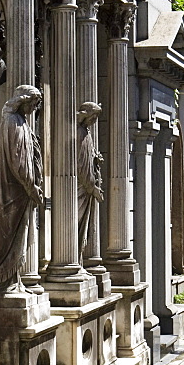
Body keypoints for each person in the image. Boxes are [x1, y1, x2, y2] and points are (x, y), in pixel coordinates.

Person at [0, 84, 43, 294]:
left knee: (18, 239)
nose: (35, 108)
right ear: (24, 101)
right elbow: (18, 160)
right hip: (11, 191)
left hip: (20, 192)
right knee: (2, 239)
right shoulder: (12, 121)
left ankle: (13, 282)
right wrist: (31, 186)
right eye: (33, 103)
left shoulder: (22, 121)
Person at [77, 102, 104, 271]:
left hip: (87, 191)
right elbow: (82, 166)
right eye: (93, 117)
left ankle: (78, 263)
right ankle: (76, 263)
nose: (94, 121)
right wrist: (92, 187)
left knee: (83, 229)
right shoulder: (79, 133)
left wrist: (96, 158)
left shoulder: (86, 133)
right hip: (82, 190)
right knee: (78, 227)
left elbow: (88, 159)